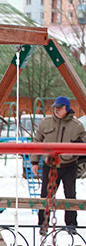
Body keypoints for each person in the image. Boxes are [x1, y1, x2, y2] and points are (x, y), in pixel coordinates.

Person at [31, 95, 86, 234]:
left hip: (69, 165)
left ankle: (71, 224)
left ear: (66, 109)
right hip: (50, 164)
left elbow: (83, 145)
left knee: (70, 195)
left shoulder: (77, 126)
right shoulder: (46, 123)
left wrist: (77, 156)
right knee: (46, 195)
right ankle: (43, 224)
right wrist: (34, 161)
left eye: (59, 108)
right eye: (55, 107)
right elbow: (37, 141)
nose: (56, 110)